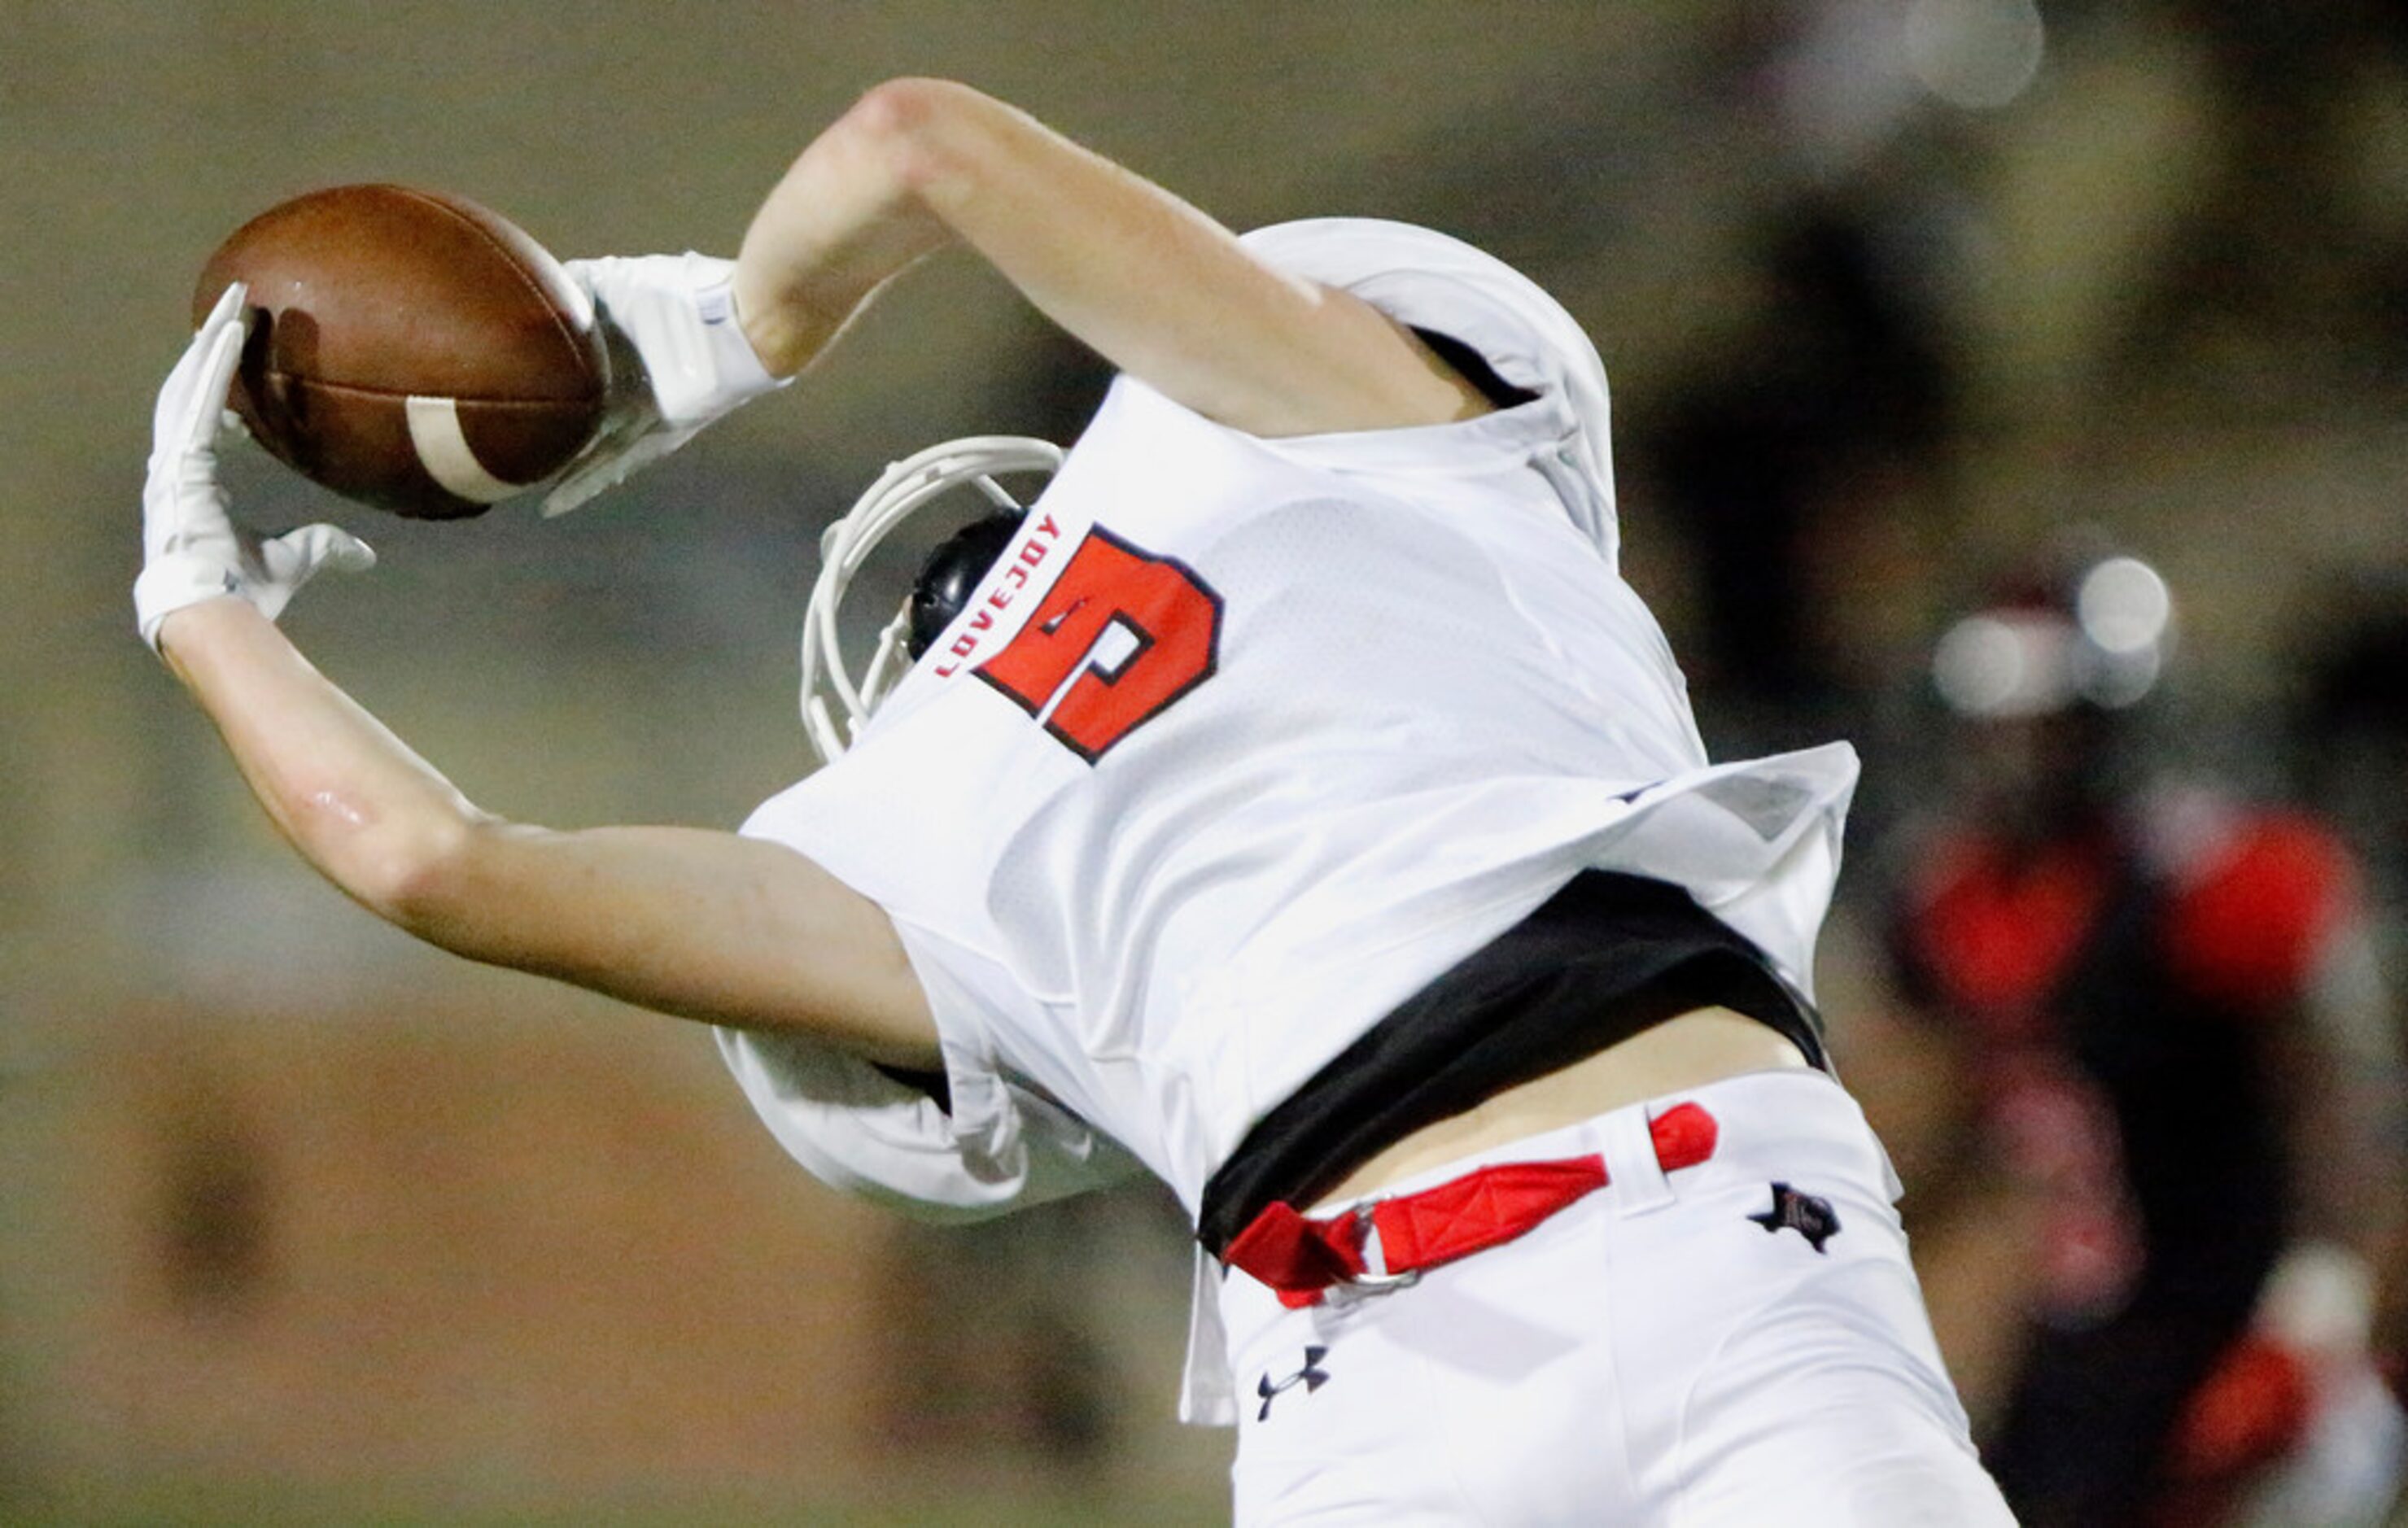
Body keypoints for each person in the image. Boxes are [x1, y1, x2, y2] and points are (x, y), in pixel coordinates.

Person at [138, 79, 2012, 1523]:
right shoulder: (1306, 421)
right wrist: (730, 327)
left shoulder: (904, 835)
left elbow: (431, 858)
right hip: (1720, 1223)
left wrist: (197, 605)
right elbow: (915, 141)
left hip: (1366, 1382)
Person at [1877, 550, 2406, 1526]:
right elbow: (1927, 1151)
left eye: (2051, 725)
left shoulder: (2219, 878)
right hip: (2090, 1352)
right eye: (2004, 726)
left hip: (2248, 1322)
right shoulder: (1954, 903)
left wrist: (2308, 1327)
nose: (2022, 755)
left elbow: (2349, 1123)